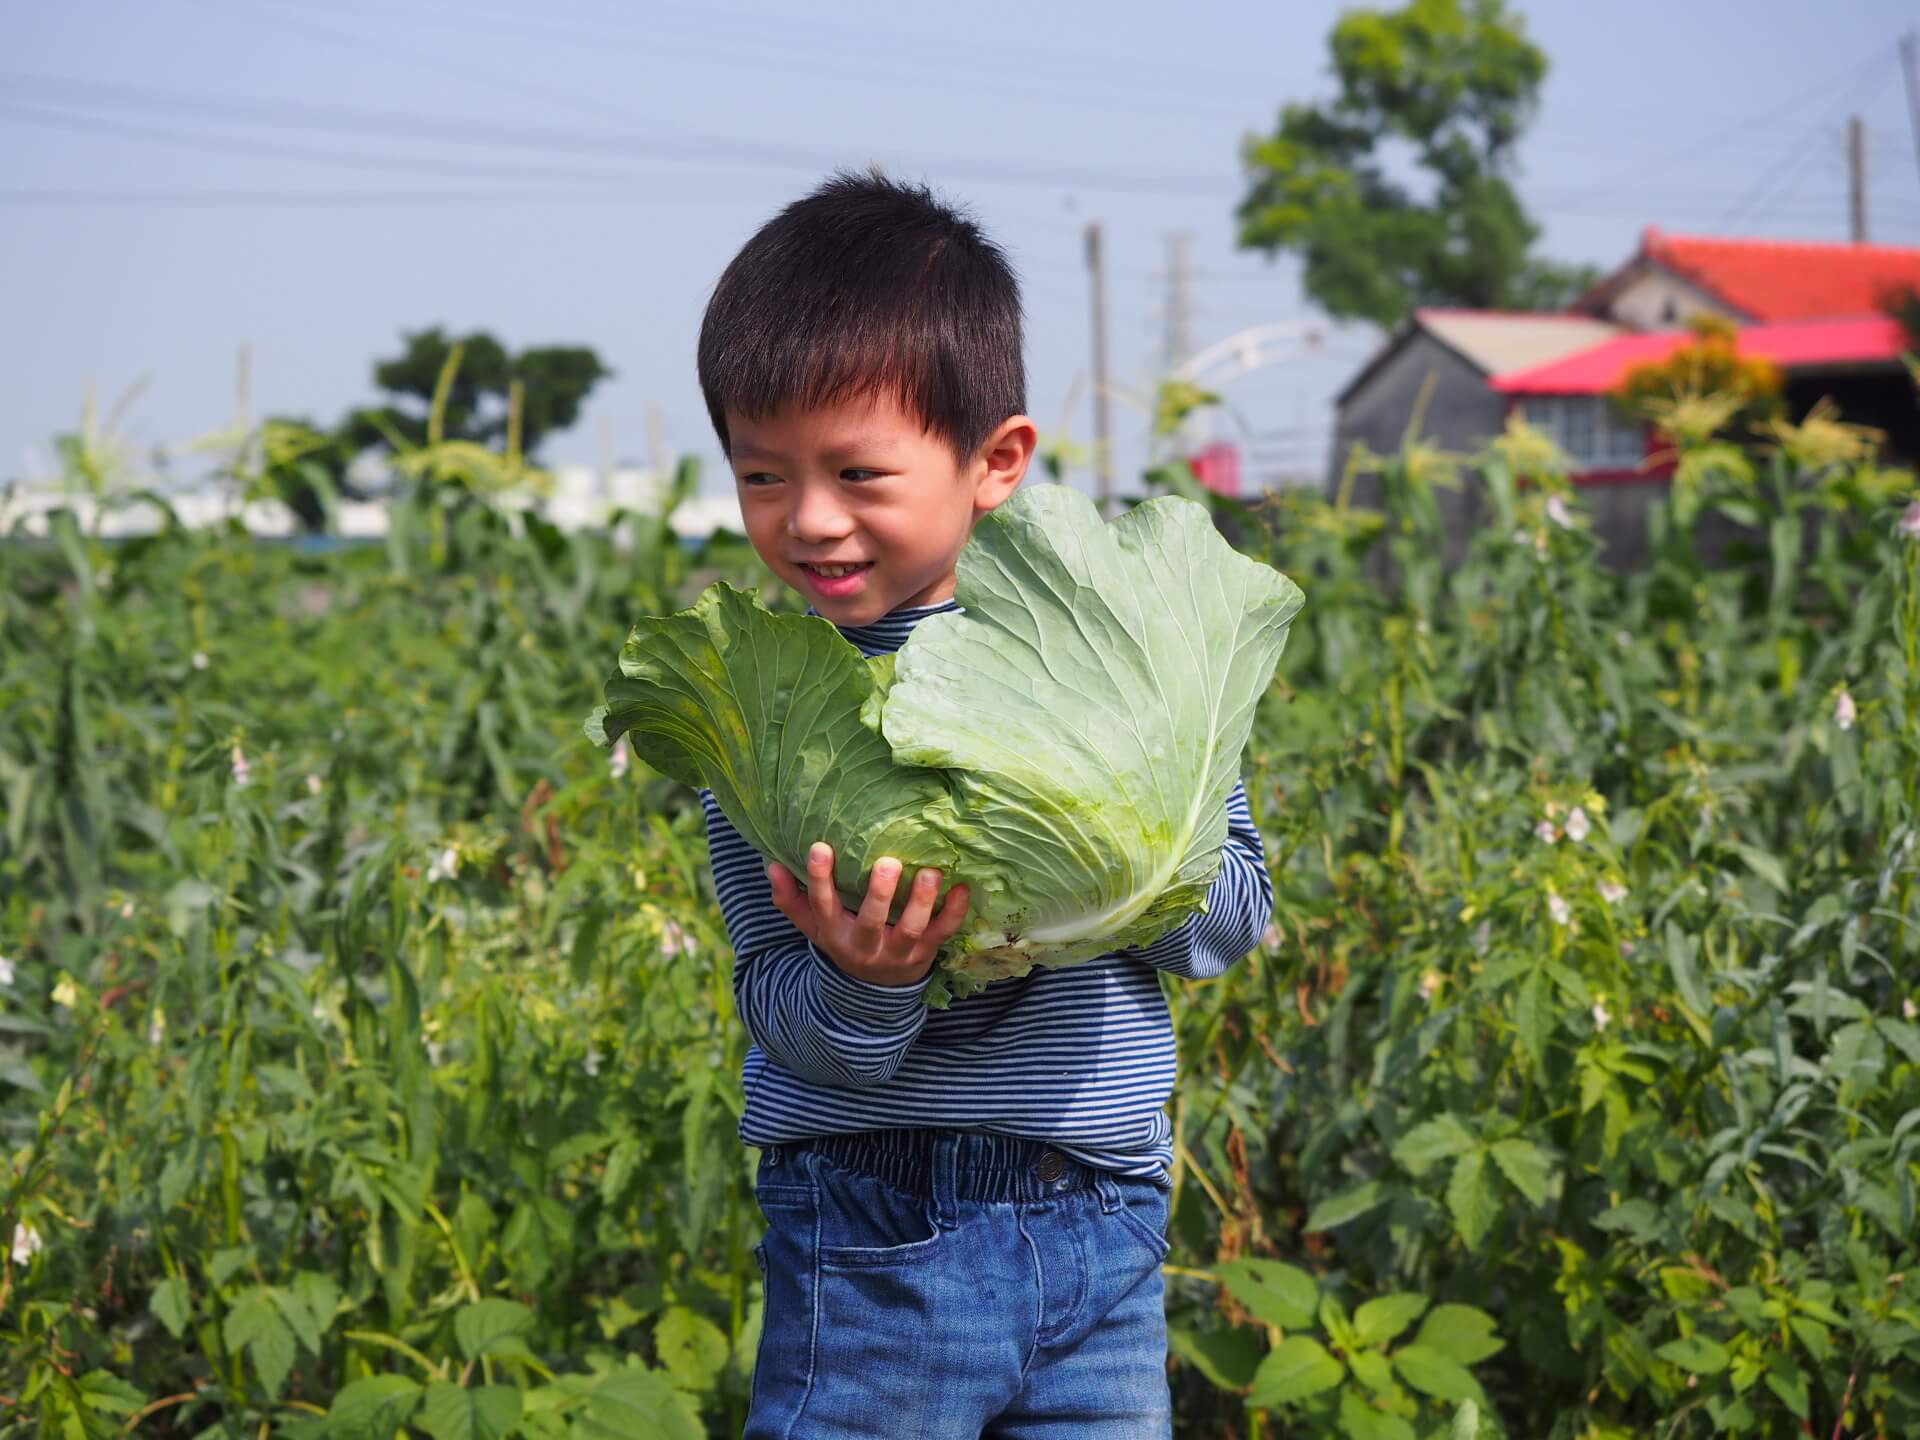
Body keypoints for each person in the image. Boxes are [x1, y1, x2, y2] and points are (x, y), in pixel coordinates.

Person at [695, 170, 1272, 1438]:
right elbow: (778, 1010)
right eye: (761, 478)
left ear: (995, 460)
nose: (810, 521)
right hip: (872, 1219)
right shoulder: (764, 715)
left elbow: (1230, 918)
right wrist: (868, 979)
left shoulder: (1119, 665)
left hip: (1106, 1218)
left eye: (858, 473)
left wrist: (1126, 868)